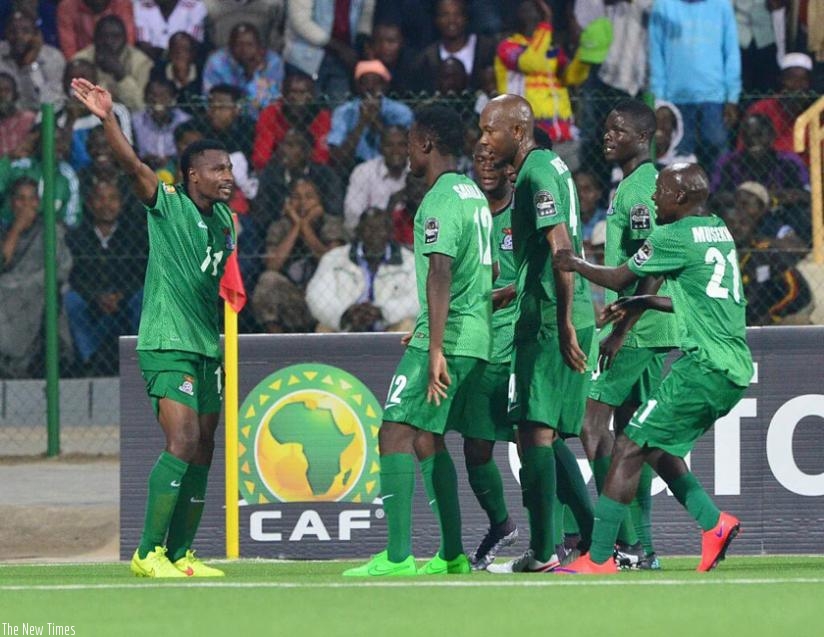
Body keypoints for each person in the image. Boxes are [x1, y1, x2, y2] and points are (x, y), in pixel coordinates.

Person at [71, 75, 235, 578]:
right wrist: (109, 118)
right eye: (217, 169)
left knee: (204, 447)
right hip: (167, 340)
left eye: (229, 167)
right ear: (191, 176)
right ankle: (147, 552)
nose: (228, 175)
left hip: (208, 344)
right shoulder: (167, 206)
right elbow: (133, 165)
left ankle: (181, 555)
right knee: (182, 440)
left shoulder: (226, 220)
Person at [555, 163, 753, 575]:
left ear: (679, 198)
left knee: (627, 446)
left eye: (660, 190)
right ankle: (713, 522)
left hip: (702, 367)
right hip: (731, 368)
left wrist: (573, 262)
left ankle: (602, 557)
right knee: (653, 445)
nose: (653, 197)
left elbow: (618, 275)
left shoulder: (670, 236)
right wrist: (641, 302)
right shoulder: (717, 229)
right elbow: (698, 298)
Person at [343, 104, 492, 577]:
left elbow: (441, 272)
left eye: (409, 142)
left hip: (447, 337)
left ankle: (398, 555)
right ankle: (452, 555)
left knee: (394, 431)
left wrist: (433, 347)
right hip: (473, 334)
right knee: (427, 438)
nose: (406, 150)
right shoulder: (471, 193)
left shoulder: (439, 200)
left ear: (427, 144)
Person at [479, 94, 595, 573]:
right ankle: (591, 539)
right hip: (557, 304)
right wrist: (515, 287)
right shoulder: (550, 165)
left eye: (491, 130)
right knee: (544, 433)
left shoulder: (534, 174)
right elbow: (546, 255)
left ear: (519, 132)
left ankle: (545, 551)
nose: (485, 140)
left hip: (551, 315)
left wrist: (562, 321)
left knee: (532, 432)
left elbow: (561, 248)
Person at [579, 100, 680, 570]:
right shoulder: (636, 185)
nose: (608, 135)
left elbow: (652, 264)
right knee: (630, 438)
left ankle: (623, 543)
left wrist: (623, 325)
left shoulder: (640, 190)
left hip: (638, 332)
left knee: (590, 426)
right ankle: (645, 549)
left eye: (618, 129)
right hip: (649, 328)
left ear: (644, 137)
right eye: (606, 128)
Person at [447, 144, 519, 570]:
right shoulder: (466, 213)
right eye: (479, 160)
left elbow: (544, 266)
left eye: (496, 160)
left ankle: (566, 535)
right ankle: (502, 524)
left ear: (511, 168)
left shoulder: (524, 210)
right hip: (477, 338)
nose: (487, 167)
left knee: (537, 441)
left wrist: (509, 293)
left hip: (517, 335)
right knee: (475, 448)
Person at [64, 177, 147, 375]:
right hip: (92, 305)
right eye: (100, 199)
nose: (106, 205)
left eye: (112, 199)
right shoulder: (76, 236)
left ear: (121, 203)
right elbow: (75, 276)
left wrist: (122, 295)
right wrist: (96, 297)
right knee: (70, 300)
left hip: (126, 302)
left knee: (145, 297)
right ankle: (88, 362)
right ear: (90, 204)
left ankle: (141, 361)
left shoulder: (135, 234)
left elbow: (143, 272)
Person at [649, 0, 741, 168]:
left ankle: (719, 193)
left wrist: (732, 97)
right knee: (678, 158)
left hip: (715, 96)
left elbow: (731, 51)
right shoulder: (663, 5)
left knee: (718, 153)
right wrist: (660, 100)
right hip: (675, 98)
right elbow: (656, 54)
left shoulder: (722, 5)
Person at [0, 177, 72, 378]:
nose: (26, 205)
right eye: (20, 199)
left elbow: (60, 266)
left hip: (40, 286)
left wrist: (27, 283)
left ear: (38, 203)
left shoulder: (51, 229)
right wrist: (16, 229)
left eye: (31, 199)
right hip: (7, 287)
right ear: (12, 203)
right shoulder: (5, 230)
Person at [306, 207, 418, 332]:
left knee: (408, 326)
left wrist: (383, 312)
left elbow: (417, 299)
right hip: (347, 325)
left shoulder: (409, 261)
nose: (374, 233)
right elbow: (316, 296)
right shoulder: (334, 258)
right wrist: (345, 314)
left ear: (390, 232)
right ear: (358, 232)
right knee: (323, 328)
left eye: (379, 228)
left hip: (388, 324)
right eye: (368, 228)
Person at [327, 59, 413, 173]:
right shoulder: (344, 112)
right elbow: (338, 157)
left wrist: (375, 121)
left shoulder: (400, 111)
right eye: (365, 83)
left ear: (385, 86)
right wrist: (362, 122)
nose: (370, 87)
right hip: (353, 170)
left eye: (376, 82)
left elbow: (405, 149)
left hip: (394, 169)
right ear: (357, 86)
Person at [202, 22, 284, 118]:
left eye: (250, 44)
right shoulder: (217, 62)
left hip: (262, 120)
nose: (244, 49)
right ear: (230, 46)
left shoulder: (272, 61)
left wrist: (252, 75)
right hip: (227, 120)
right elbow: (209, 100)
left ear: (259, 46)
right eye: (238, 44)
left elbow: (270, 103)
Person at [252, 72, 331, 171]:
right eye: (293, 92)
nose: (297, 98)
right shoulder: (270, 113)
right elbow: (261, 158)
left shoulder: (322, 116)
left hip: (311, 173)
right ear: (283, 95)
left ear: (312, 96)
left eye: (302, 92)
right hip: (275, 171)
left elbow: (322, 157)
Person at [73, 14, 153, 111]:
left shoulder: (142, 62)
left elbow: (140, 106)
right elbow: (75, 99)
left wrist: (120, 75)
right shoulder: (81, 59)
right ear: (95, 38)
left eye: (116, 36)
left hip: (131, 119)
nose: (109, 41)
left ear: (125, 38)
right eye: (104, 36)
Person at [343, 124, 409, 233]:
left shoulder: (420, 172)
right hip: (373, 235)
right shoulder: (364, 171)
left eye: (401, 145)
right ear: (380, 148)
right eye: (389, 145)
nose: (395, 151)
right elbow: (353, 213)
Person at [0, 9, 66, 111]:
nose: (19, 36)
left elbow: (51, 102)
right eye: (12, 31)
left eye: (26, 31)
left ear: (37, 35)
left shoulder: (53, 57)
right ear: (5, 34)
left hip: (43, 119)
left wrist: (30, 65)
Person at [57, 0, 136, 60]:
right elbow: (69, 51)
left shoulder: (122, 3)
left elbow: (128, 42)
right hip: (84, 63)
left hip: (118, 60)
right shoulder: (68, 6)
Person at [132, 0, 207, 61]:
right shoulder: (141, 6)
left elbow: (192, 45)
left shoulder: (195, 6)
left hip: (186, 62)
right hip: (153, 61)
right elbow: (144, 44)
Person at [0, 72, 36, 157]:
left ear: (15, 95)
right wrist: (11, 156)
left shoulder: (29, 119)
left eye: (7, 90)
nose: (2, 95)